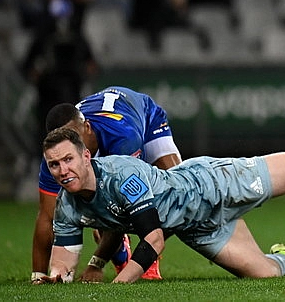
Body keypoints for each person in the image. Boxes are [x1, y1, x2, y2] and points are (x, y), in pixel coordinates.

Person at [36, 127, 285, 284]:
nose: (62, 170)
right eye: (54, 165)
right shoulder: (67, 206)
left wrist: (120, 284)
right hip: (195, 227)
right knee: (264, 275)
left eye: (68, 160)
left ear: (86, 156)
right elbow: (63, 260)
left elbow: (154, 238)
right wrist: (57, 277)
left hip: (213, 184)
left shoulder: (122, 176)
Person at [31, 86, 183, 283]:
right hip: (108, 126)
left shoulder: (124, 139)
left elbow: (130, 199)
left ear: (87, 128)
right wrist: (39, 276)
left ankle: (148, 253)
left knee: (175, 194)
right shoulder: (56, 153)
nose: (66, 144)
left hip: (145, 117)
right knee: (90, 210)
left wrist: (97, 263)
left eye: (73, 137)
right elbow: (47, 216)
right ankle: (121, 254)